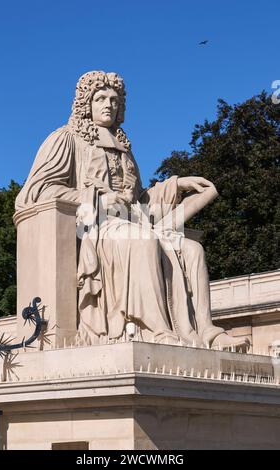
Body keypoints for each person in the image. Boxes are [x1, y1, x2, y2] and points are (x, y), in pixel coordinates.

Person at [16, 71, 249, 350]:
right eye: (100, 98)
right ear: (85, 103)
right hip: (93, 229)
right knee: (144, 241)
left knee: (192, 250)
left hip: (131, 222)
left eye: (114, 100)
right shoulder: (65, 139)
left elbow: (139, 200)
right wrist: (94, 199)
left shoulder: (124, 148)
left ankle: (207, 332)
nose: (108, 105)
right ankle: (156, 330)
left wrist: (178, 184)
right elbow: (32, 194)